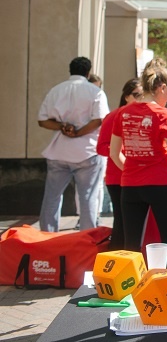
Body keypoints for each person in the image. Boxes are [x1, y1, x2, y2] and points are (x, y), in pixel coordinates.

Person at [110, 58, 167, 271]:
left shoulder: (123, 113)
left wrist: (131, 169)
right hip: (160, 184)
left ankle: (129, 288)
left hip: (130, 186)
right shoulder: (163, 114)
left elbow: (114, 153)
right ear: (162, 88)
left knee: (131, 245)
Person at [37, 57, 108, 232]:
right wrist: (78, 132)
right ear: (88, 72)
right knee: (88, 198)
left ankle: (47, 234)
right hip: (87, 151)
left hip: (59, 151)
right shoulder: (95, 91)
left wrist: (62, 126)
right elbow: (99, 120)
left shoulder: (56, 90)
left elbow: (42, 120)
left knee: (52, 197)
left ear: (70, 70)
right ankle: (88, 237)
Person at [96, 78, 141, 250]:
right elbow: (101, 147)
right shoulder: (114, 115)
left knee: (132, 224)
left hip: (139, 177)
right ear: (126, 96)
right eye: (136, 94)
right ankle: (115, 260)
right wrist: (119, 153)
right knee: (122, 223)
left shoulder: (147, 115)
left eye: (142, 94)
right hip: (118, 178)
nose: (140, 98)